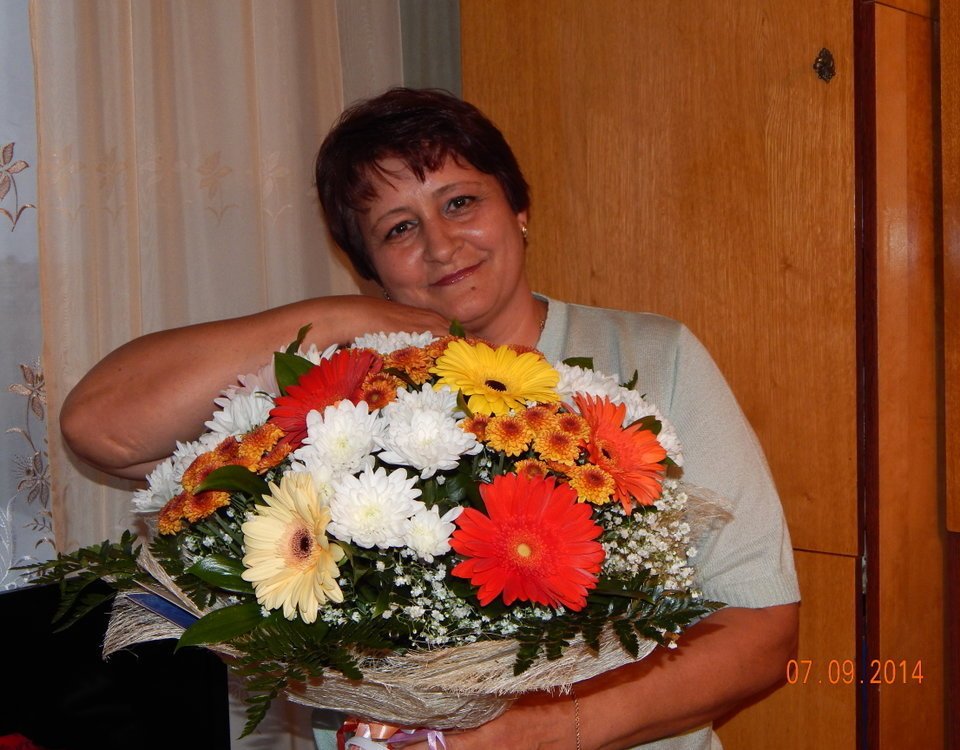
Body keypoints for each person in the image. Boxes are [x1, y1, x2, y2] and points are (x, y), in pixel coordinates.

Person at [60, 87, 799, 750]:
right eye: (397, 229)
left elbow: (761, 629)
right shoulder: (336, 398)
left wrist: (545, 733)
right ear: (368, 266)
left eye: (460, 202)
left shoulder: (651, 357)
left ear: (519, 208)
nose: (441, 246)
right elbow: (101, 426)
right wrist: (338, 320)